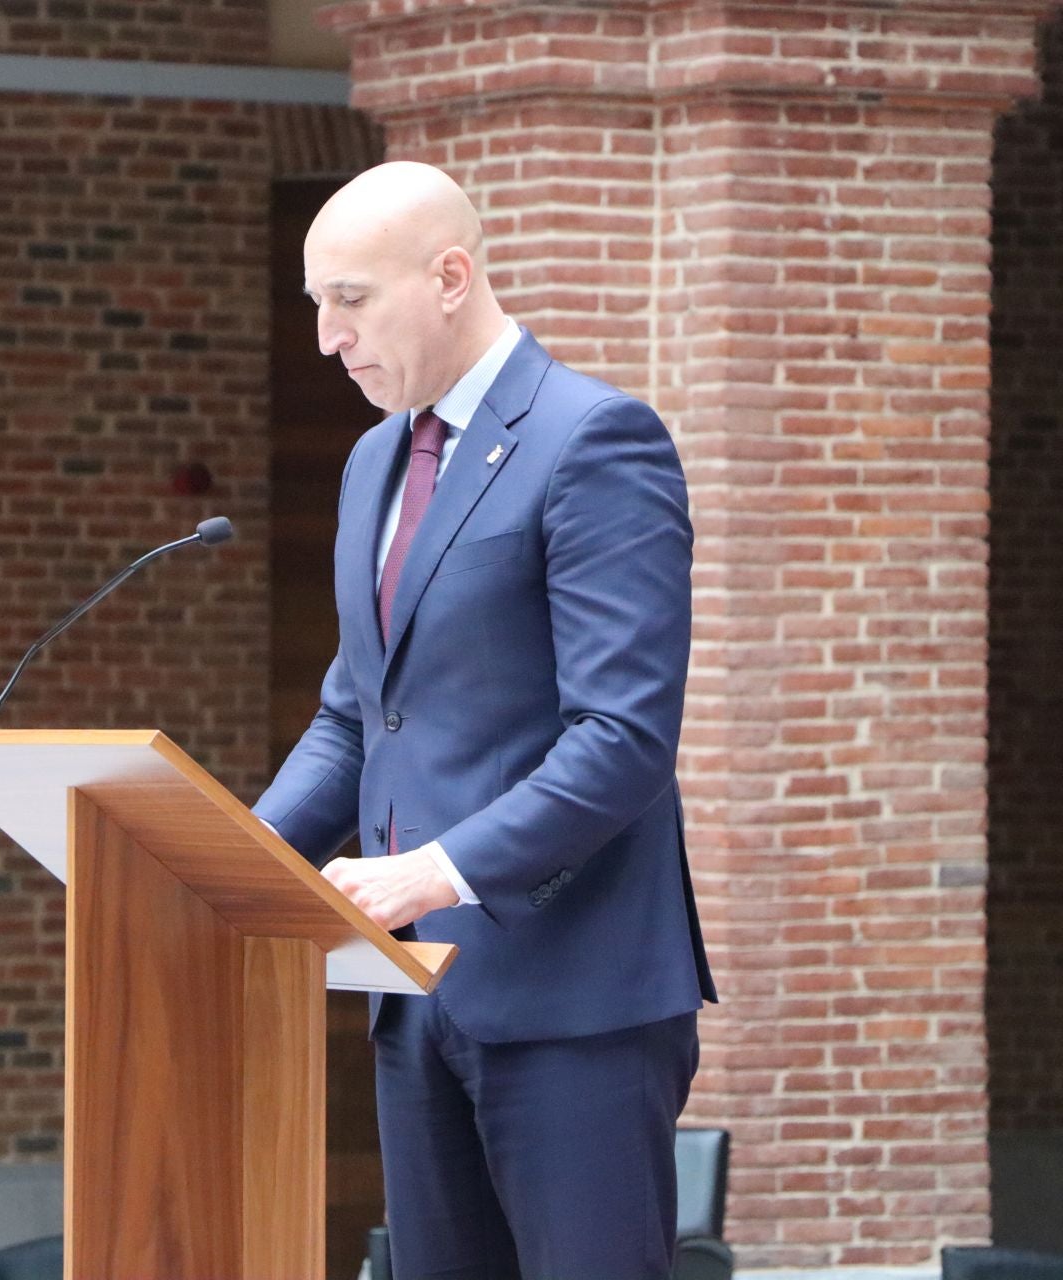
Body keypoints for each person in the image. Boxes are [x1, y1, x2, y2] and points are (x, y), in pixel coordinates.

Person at [253, 161, 717, 1279]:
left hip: (576, 1001)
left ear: (451, 275)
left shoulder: (595, 439)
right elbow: (362, 715)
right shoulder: (373, 463)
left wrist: (434, 871)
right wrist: (237, 866)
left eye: (350, 299)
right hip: (419, 998)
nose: (326, 336)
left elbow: (624, 739)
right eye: (316, 302)